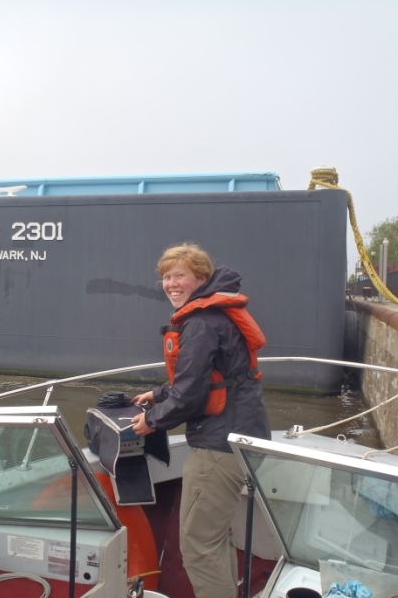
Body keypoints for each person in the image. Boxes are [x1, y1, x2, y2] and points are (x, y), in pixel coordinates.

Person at [130, 242, 270, 598]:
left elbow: (191, 393)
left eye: (180, 276)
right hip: (241, 433)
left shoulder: (201, 323)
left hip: (217, 447)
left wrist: (153, 420)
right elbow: (214, 375)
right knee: (216, 539)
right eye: (166, 277)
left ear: (201, 278)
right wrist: (160, 393)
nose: (171, 283)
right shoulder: (216, 316)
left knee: (198, 547)